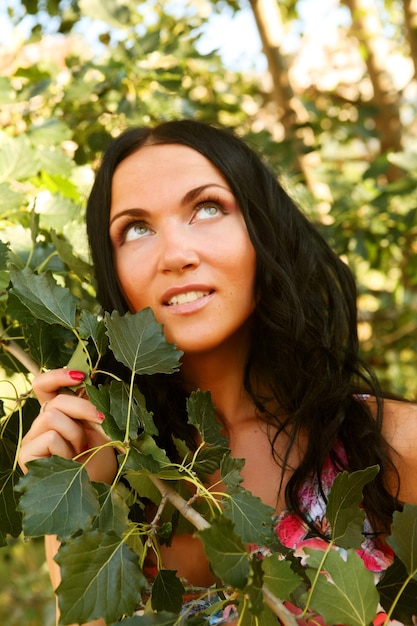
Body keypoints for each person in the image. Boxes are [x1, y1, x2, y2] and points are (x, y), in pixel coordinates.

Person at [18, 119, 417, 625]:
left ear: (261, 228)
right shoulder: (106, 477)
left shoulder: (395, 447)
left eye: (207, 208)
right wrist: (76, 502)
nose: (177, 255)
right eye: (136, 229)